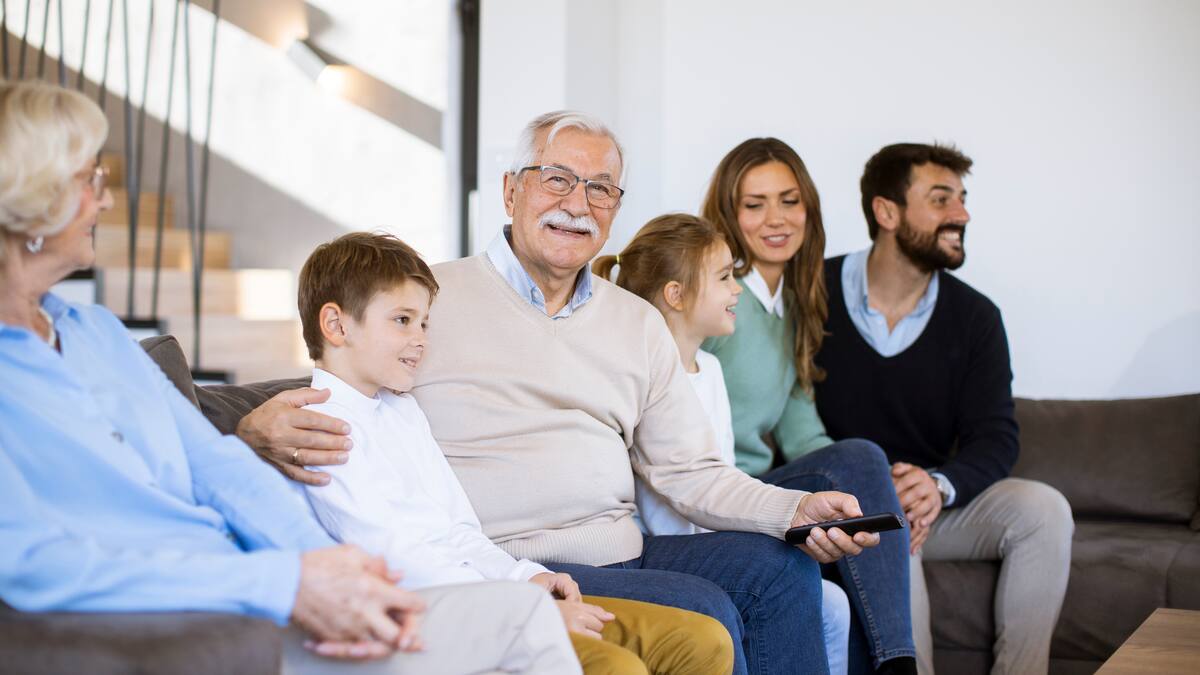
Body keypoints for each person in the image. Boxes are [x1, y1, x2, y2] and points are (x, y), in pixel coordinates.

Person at [237, 110, 883, 675]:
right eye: (557, 179)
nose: (578, 203)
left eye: (601, 187)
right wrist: (253, 429)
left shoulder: (637, 323)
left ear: (615, 209)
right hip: (501, 558)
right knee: (705, 609)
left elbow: (691, 471)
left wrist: (793, 510)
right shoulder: (430, 300)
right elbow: (349, 373)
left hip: (621, 550)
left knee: (782, 570)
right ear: (511, 190)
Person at [0, 80, 581, 675]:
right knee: (521, 623)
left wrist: (328, 573)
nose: (105, 200)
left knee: (523, 617)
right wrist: (287, 582)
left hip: (260, 594)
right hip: (187, 618)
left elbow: (218, 468)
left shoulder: (97, 334)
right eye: (88, 179)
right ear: (28, 197)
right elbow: (32, 563)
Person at [292, 230, 734, 675]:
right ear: (336, 325)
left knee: (701, 640)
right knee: (617, 667)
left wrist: (527, 576)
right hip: (439, 616)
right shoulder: (317, 431)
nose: (421, 339)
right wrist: (521, 606)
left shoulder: (401, 410)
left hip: (494, 595)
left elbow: (460, 529)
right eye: (402, 320)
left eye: (423, 323)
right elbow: (395, 560)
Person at [813, 142, 1074, 675]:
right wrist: (876, 495)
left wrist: (937, 486)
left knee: (1044, 509)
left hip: (931, 506)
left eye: (961, 198)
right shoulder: (813, 294)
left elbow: (995, 437)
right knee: (890, 528)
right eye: (940, 199)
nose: (962, 214)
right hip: (851, 510)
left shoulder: (976, 317)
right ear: (887, 212)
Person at [593, 212, 852, 675]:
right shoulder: (638, 373)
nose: (737, 289)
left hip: (712, 535)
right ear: (676, 295)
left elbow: (722, 475)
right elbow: (666, 498)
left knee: (832, 604)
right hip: (664, 548)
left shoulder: (711, 371)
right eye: (725, 277)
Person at [700, 138, 917, 674]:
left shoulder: (793, 303)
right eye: (755, 205)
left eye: (789, 201)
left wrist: (873, 485)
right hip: (710, 494)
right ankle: (899, 667)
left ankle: (894, 662)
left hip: (757, 486)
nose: (776, 219)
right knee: (858, 462)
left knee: (862, 480)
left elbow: (803, 436)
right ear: (729, 215)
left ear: (808, 209)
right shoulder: (716, 298)